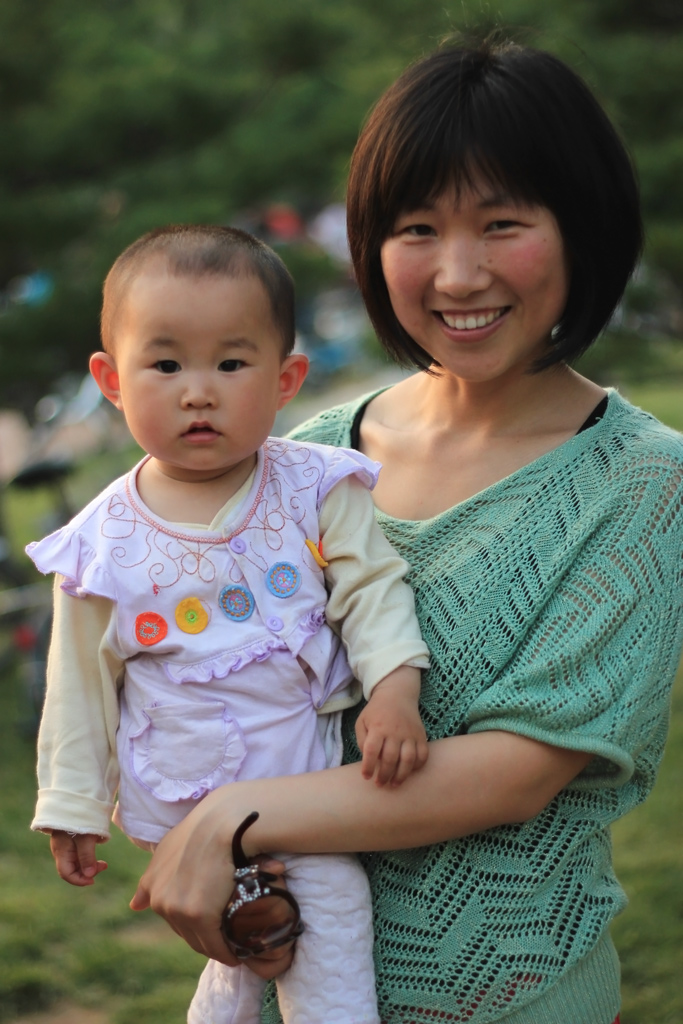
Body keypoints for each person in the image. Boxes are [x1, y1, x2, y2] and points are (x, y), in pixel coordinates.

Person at [126, 40, 683, 1024]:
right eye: (416, 228)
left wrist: (230, 823)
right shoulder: (303, 453)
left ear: (581, 226)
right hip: (285, 987)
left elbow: (513, 771)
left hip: (507, 1002)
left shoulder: (638, 478)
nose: (456, 274)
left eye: (501, 224)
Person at [27, 224, 432, 1024]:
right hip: (180, 788)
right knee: (244, 929)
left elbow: (374, 591)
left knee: (313, 914)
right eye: (166, 363)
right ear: (111, 378)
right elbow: (78, 684)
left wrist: (394, 688)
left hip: (302, 792)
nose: (197, 391)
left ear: (286, 379)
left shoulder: (316, 489)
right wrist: (72, 800)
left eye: (232, 363)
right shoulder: (99, 544)